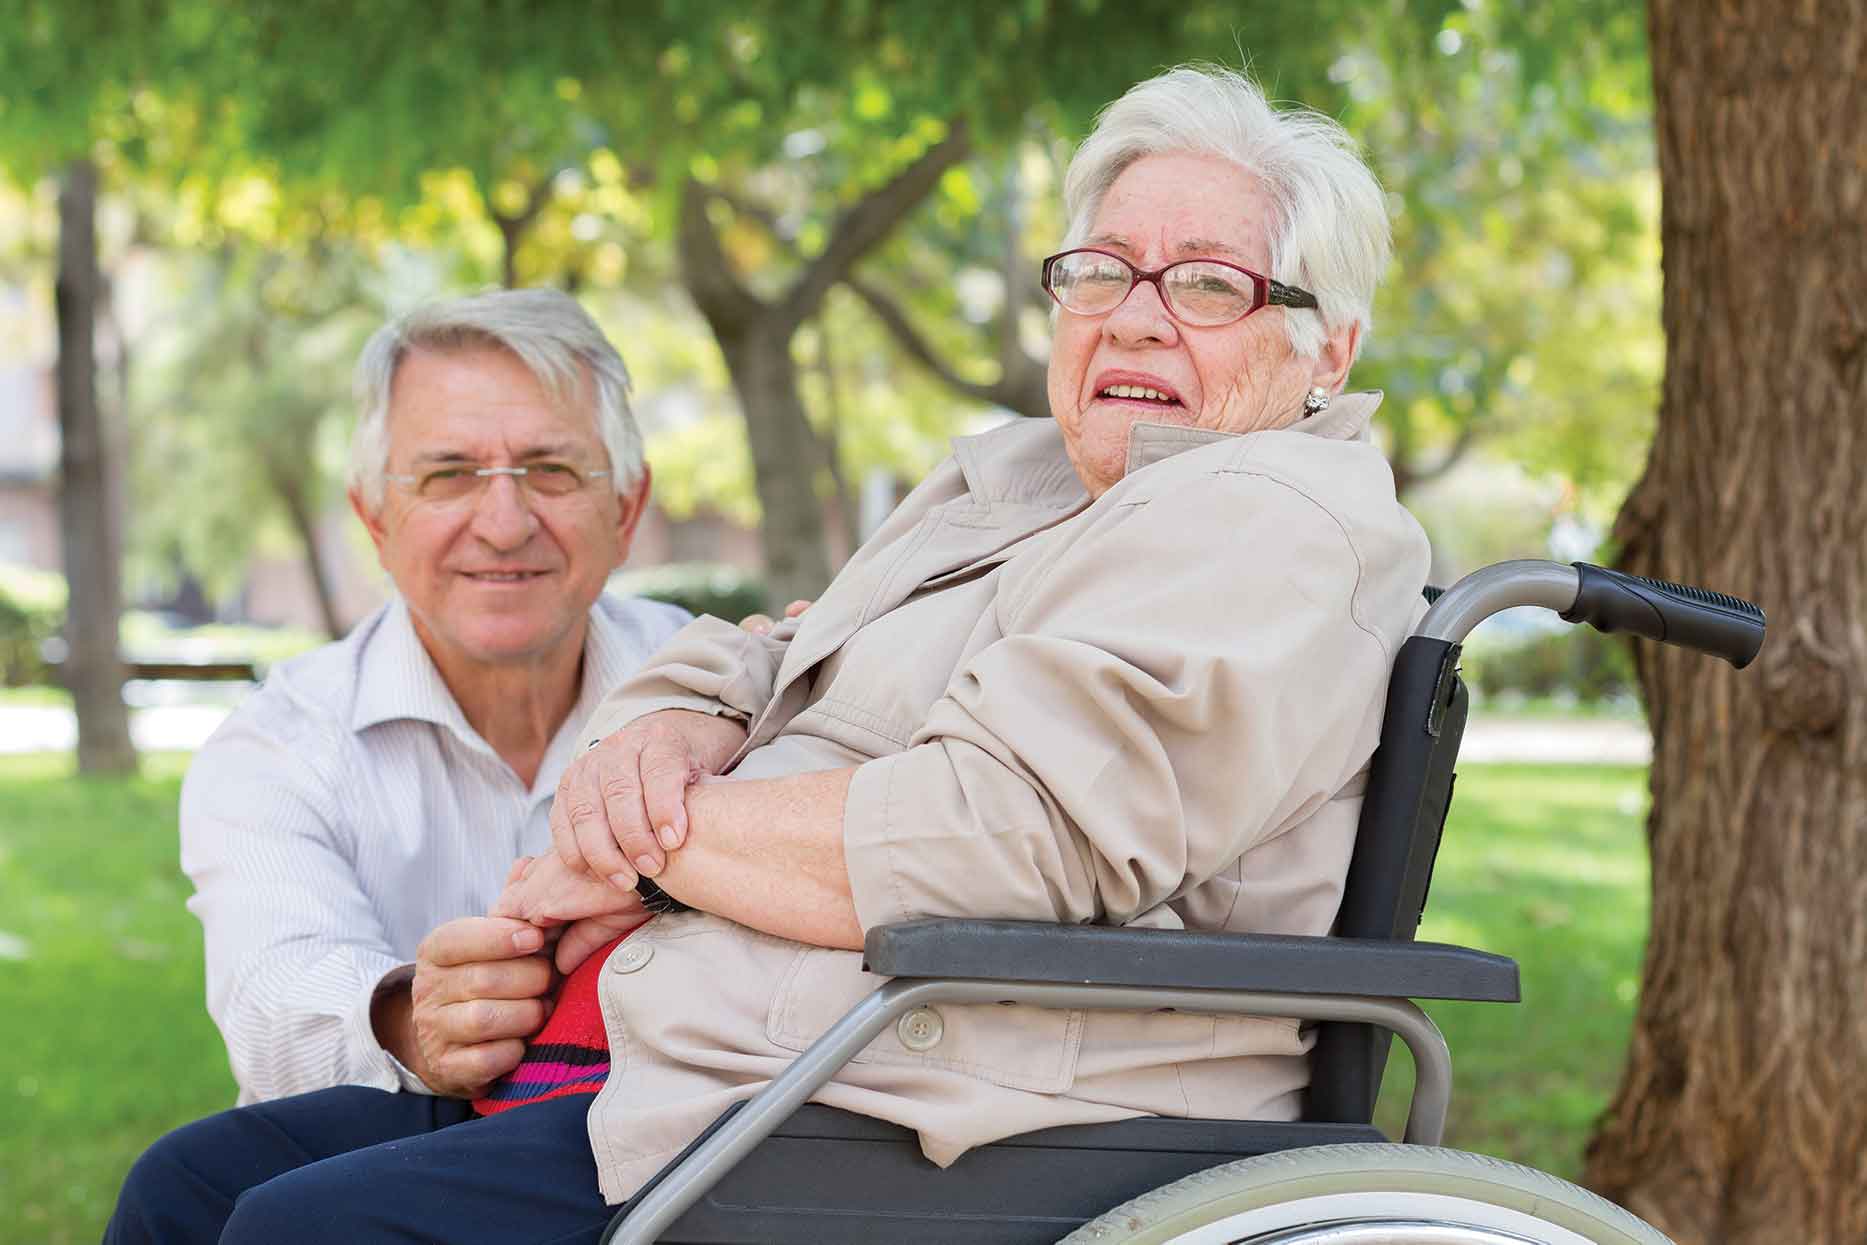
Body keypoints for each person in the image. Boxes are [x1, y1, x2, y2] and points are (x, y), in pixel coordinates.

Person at [109, 64, 1433, 1244]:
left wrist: (643, 844)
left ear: (1326, 347)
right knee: (189, 1191)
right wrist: (659, 740)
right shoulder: (1027, 479)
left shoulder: (1266, 518)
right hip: (720, 1071)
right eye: (1100, 270)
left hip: (932, 1109)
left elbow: (1005, 838)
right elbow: (773, 650)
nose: (1133, 318)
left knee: (302, 1228)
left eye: (1206, 283)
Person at [176, 288, 693, 1106]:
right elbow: (272, 1004)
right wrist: (411, 1020)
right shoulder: (277, 745)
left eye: (551, 470)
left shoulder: (730, 691)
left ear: (626, 509)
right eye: (449, 475)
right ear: (375, 518)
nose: (502, 522)